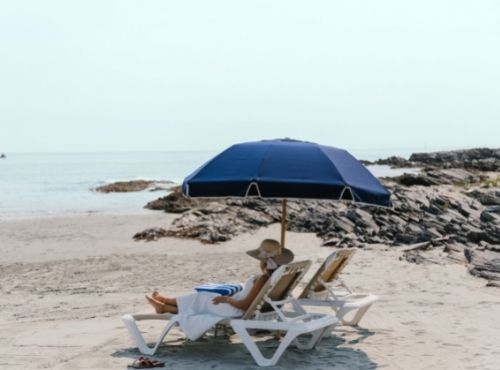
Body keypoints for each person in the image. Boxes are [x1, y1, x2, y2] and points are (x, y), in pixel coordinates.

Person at [145, 239, 294, 317]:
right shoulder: (278, 275)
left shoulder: (263, 279)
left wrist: (227, 299)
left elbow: (245, 306)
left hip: (235, 310)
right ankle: (164, 304)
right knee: (205, 297)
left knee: (202, 298)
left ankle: (164, 304)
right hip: (241, 305)